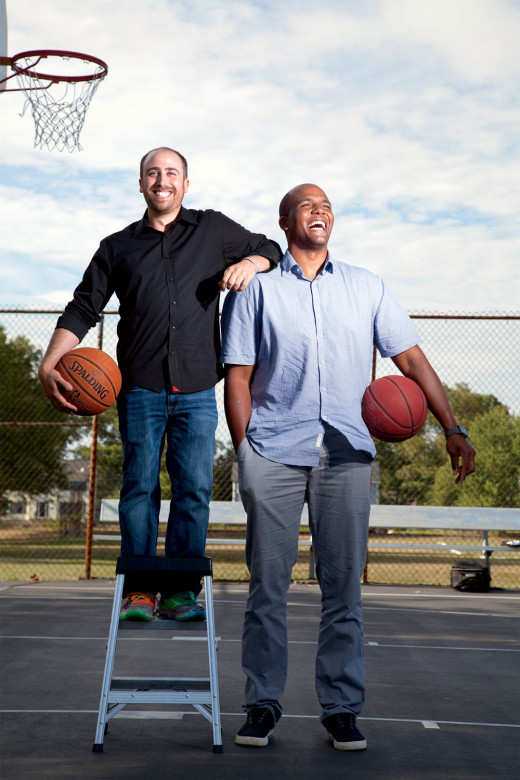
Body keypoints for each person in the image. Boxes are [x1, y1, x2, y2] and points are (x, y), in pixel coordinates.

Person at [220, 183, 475, 751]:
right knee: (267, 589)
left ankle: (340, 708)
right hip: (273, 452)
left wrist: (451, 427)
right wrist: (244, 453)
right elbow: (237, 377)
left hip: (346, 456)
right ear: (285, 222)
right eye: (307, 205)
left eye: (327, 205)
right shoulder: (255, 289)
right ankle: (262, 704)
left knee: (343, 592)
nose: (320, 211)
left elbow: (411, 359)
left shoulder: (367, 287)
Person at [38, 147, 282, 622]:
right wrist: (50, 363)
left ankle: (181, 592)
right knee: (138, 489)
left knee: (193, 490)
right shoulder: (117, 246)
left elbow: (272, 248)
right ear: (141, 184)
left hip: (195, 388)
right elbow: (83, 307)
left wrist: (251, 264)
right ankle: (139, 592)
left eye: (172, 172)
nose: (162, 179)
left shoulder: (212, 229)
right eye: (153, 172)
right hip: (139, 386)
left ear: (185, 185)